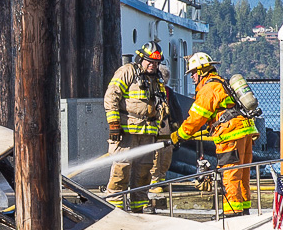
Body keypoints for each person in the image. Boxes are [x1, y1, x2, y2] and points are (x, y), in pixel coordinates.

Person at [171, 52, 259, 217]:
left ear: (202, 71)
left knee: (230, 174)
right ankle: (244, 209)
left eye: (194, 72)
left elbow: (196, 118)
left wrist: (179, 135)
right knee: (242, 174)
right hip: (245, 132)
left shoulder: (209, 89)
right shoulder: (221, 82)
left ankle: (232, 213)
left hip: (230, 135)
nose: (192, 77)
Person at [103, 42, 174, 213]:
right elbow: (111, 96)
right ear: (141, 58)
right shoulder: (127, 71)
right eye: (150, 61)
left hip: (148, 133)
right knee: (121, 169)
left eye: (156, 62)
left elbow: (160, 106)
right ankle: (115, 208)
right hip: (127, 131)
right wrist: (114, 124)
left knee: (144, 172)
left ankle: (138, 208)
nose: (153, 65)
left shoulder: (157, 79)